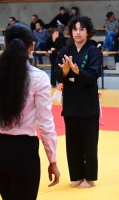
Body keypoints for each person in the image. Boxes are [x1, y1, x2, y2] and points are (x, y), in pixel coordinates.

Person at [0, 22, 60, 200]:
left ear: (5, 45)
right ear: (32, 47)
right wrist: (53, 160)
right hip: (24, 153)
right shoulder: (39, 78)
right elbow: (45, 123)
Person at [54, 15, 100, 189]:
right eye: (75, 29)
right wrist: (66, 72)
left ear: (88, 32)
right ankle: (77, 175)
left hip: (88, 103)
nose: (78, 32)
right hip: (71, 103)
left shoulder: (93, 51)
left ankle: (89, 177)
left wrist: (76, 71)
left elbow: (93, 76)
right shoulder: (65, 50)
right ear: (71, 31)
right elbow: (57, 75)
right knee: (72, 143)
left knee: (89, 142)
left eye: (82, 29)